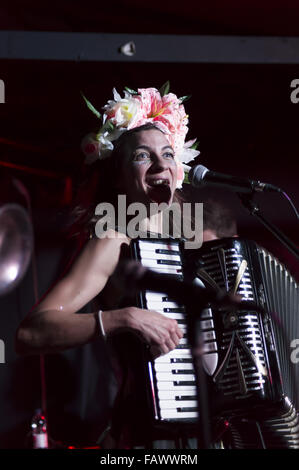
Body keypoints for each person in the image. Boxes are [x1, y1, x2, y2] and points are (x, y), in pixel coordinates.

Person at [15, 85, 200, 448]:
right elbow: (30, 333)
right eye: (142, 157)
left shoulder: (196, 243)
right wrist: (124, 318)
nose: (161, 164)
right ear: (117, 176)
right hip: (148, 437)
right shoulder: (114, 241)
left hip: (210, 433)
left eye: (167, 154)